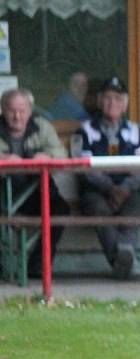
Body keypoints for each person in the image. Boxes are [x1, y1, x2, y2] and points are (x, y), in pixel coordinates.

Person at [74, 77, 140, 280]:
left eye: (117, 98)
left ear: (124, 104)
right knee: (100, 211)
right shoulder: (85, 131)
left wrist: (125, 188)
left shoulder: (136, 132)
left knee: (133, 210)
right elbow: (83, 167)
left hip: (128, 192)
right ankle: (130, 261)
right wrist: (110, 188)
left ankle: (122, 261)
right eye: (107, 98)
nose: (112, 103)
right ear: (99, 101)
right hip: (96, 193)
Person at [0, 88, 71, 279]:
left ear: (30, 111)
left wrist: (46, 157)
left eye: (22, 111)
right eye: (11, 110)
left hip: (34, 194)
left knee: (60, 209)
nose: (17, 116)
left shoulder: (43, 127)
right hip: (2, 195)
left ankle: (38, 265)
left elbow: (61, 156)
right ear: (2, 110)